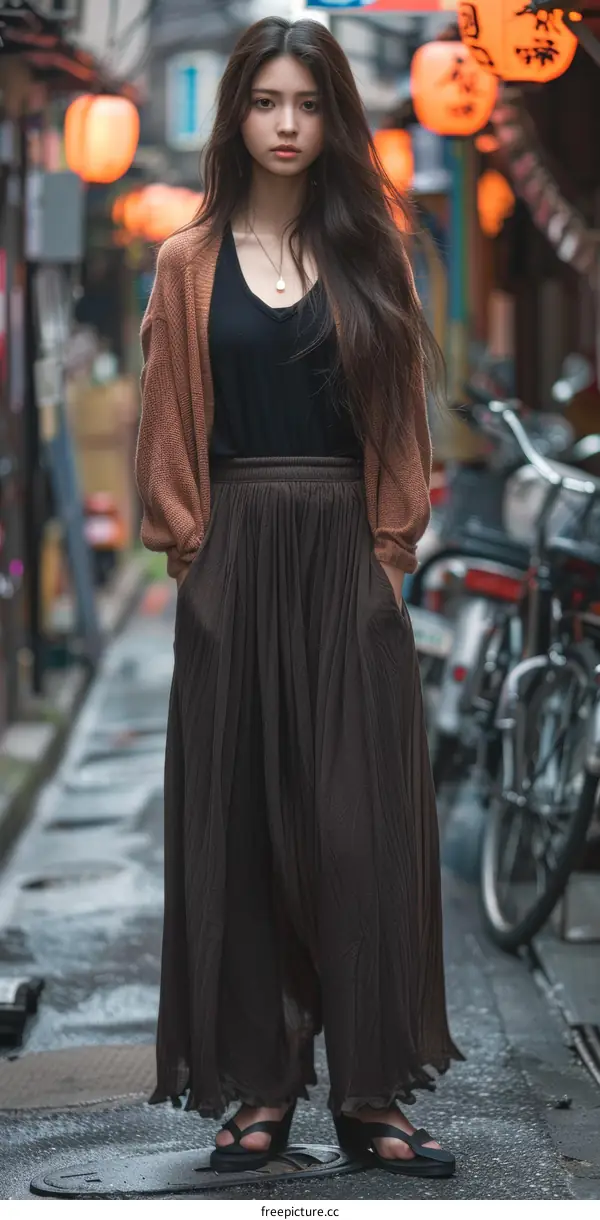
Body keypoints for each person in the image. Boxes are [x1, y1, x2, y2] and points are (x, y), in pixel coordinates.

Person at [135, 16, 462, 1180]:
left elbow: (402, 426)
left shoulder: (379, 253)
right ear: (236, 116)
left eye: (308, 103)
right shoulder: (186, 262)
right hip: (235, 556)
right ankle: (261, 1090)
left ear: (336, 119)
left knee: (352, 827)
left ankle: (370, 1090)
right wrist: (193, 561)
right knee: (246, 830)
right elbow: (167, 424)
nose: (287, 125)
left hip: (346, 558)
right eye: (267, 102)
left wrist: (388, 558)